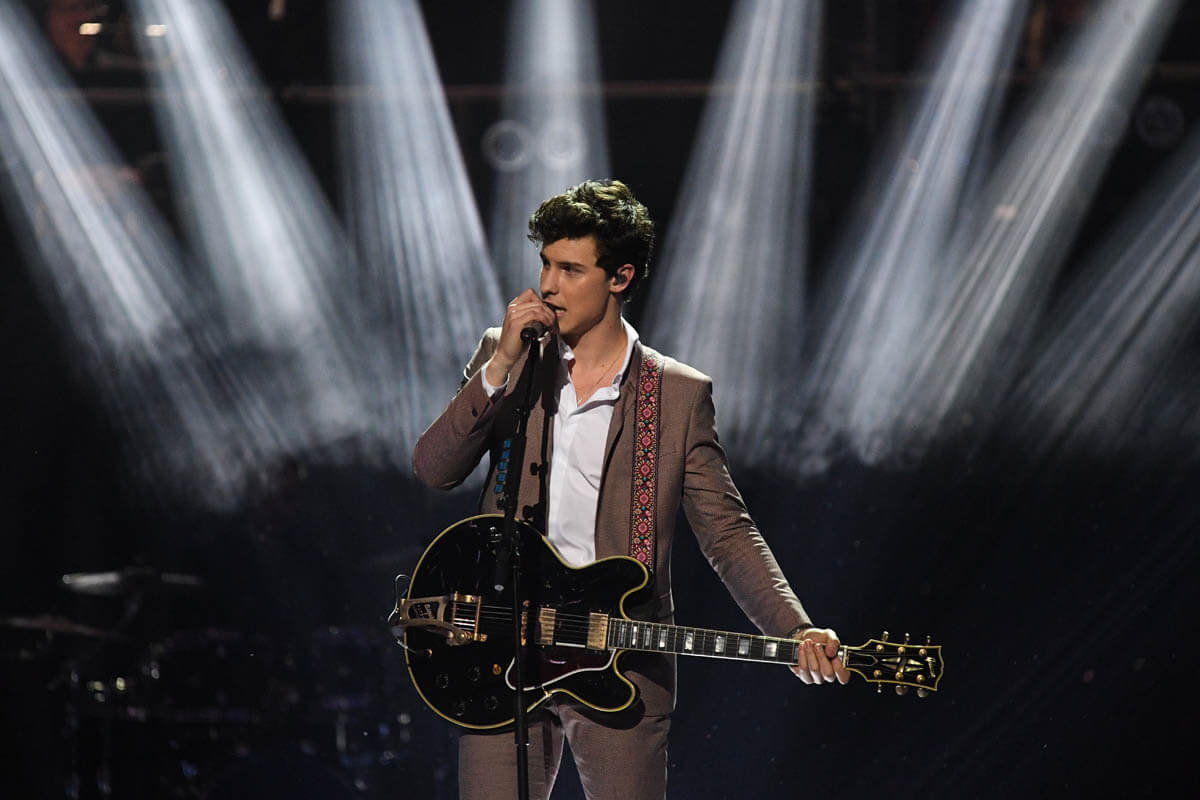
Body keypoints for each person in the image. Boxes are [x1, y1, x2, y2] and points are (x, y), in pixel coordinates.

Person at [412, 179, 847, 800]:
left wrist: (795, 628)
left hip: (619, 657)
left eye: (570, 269)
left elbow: (727, 532)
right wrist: (499, 367)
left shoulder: (677, 395)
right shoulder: (508, 358)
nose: (548, 285)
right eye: (545, 264)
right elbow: (435, 469)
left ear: (620, 277)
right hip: (503, 645)